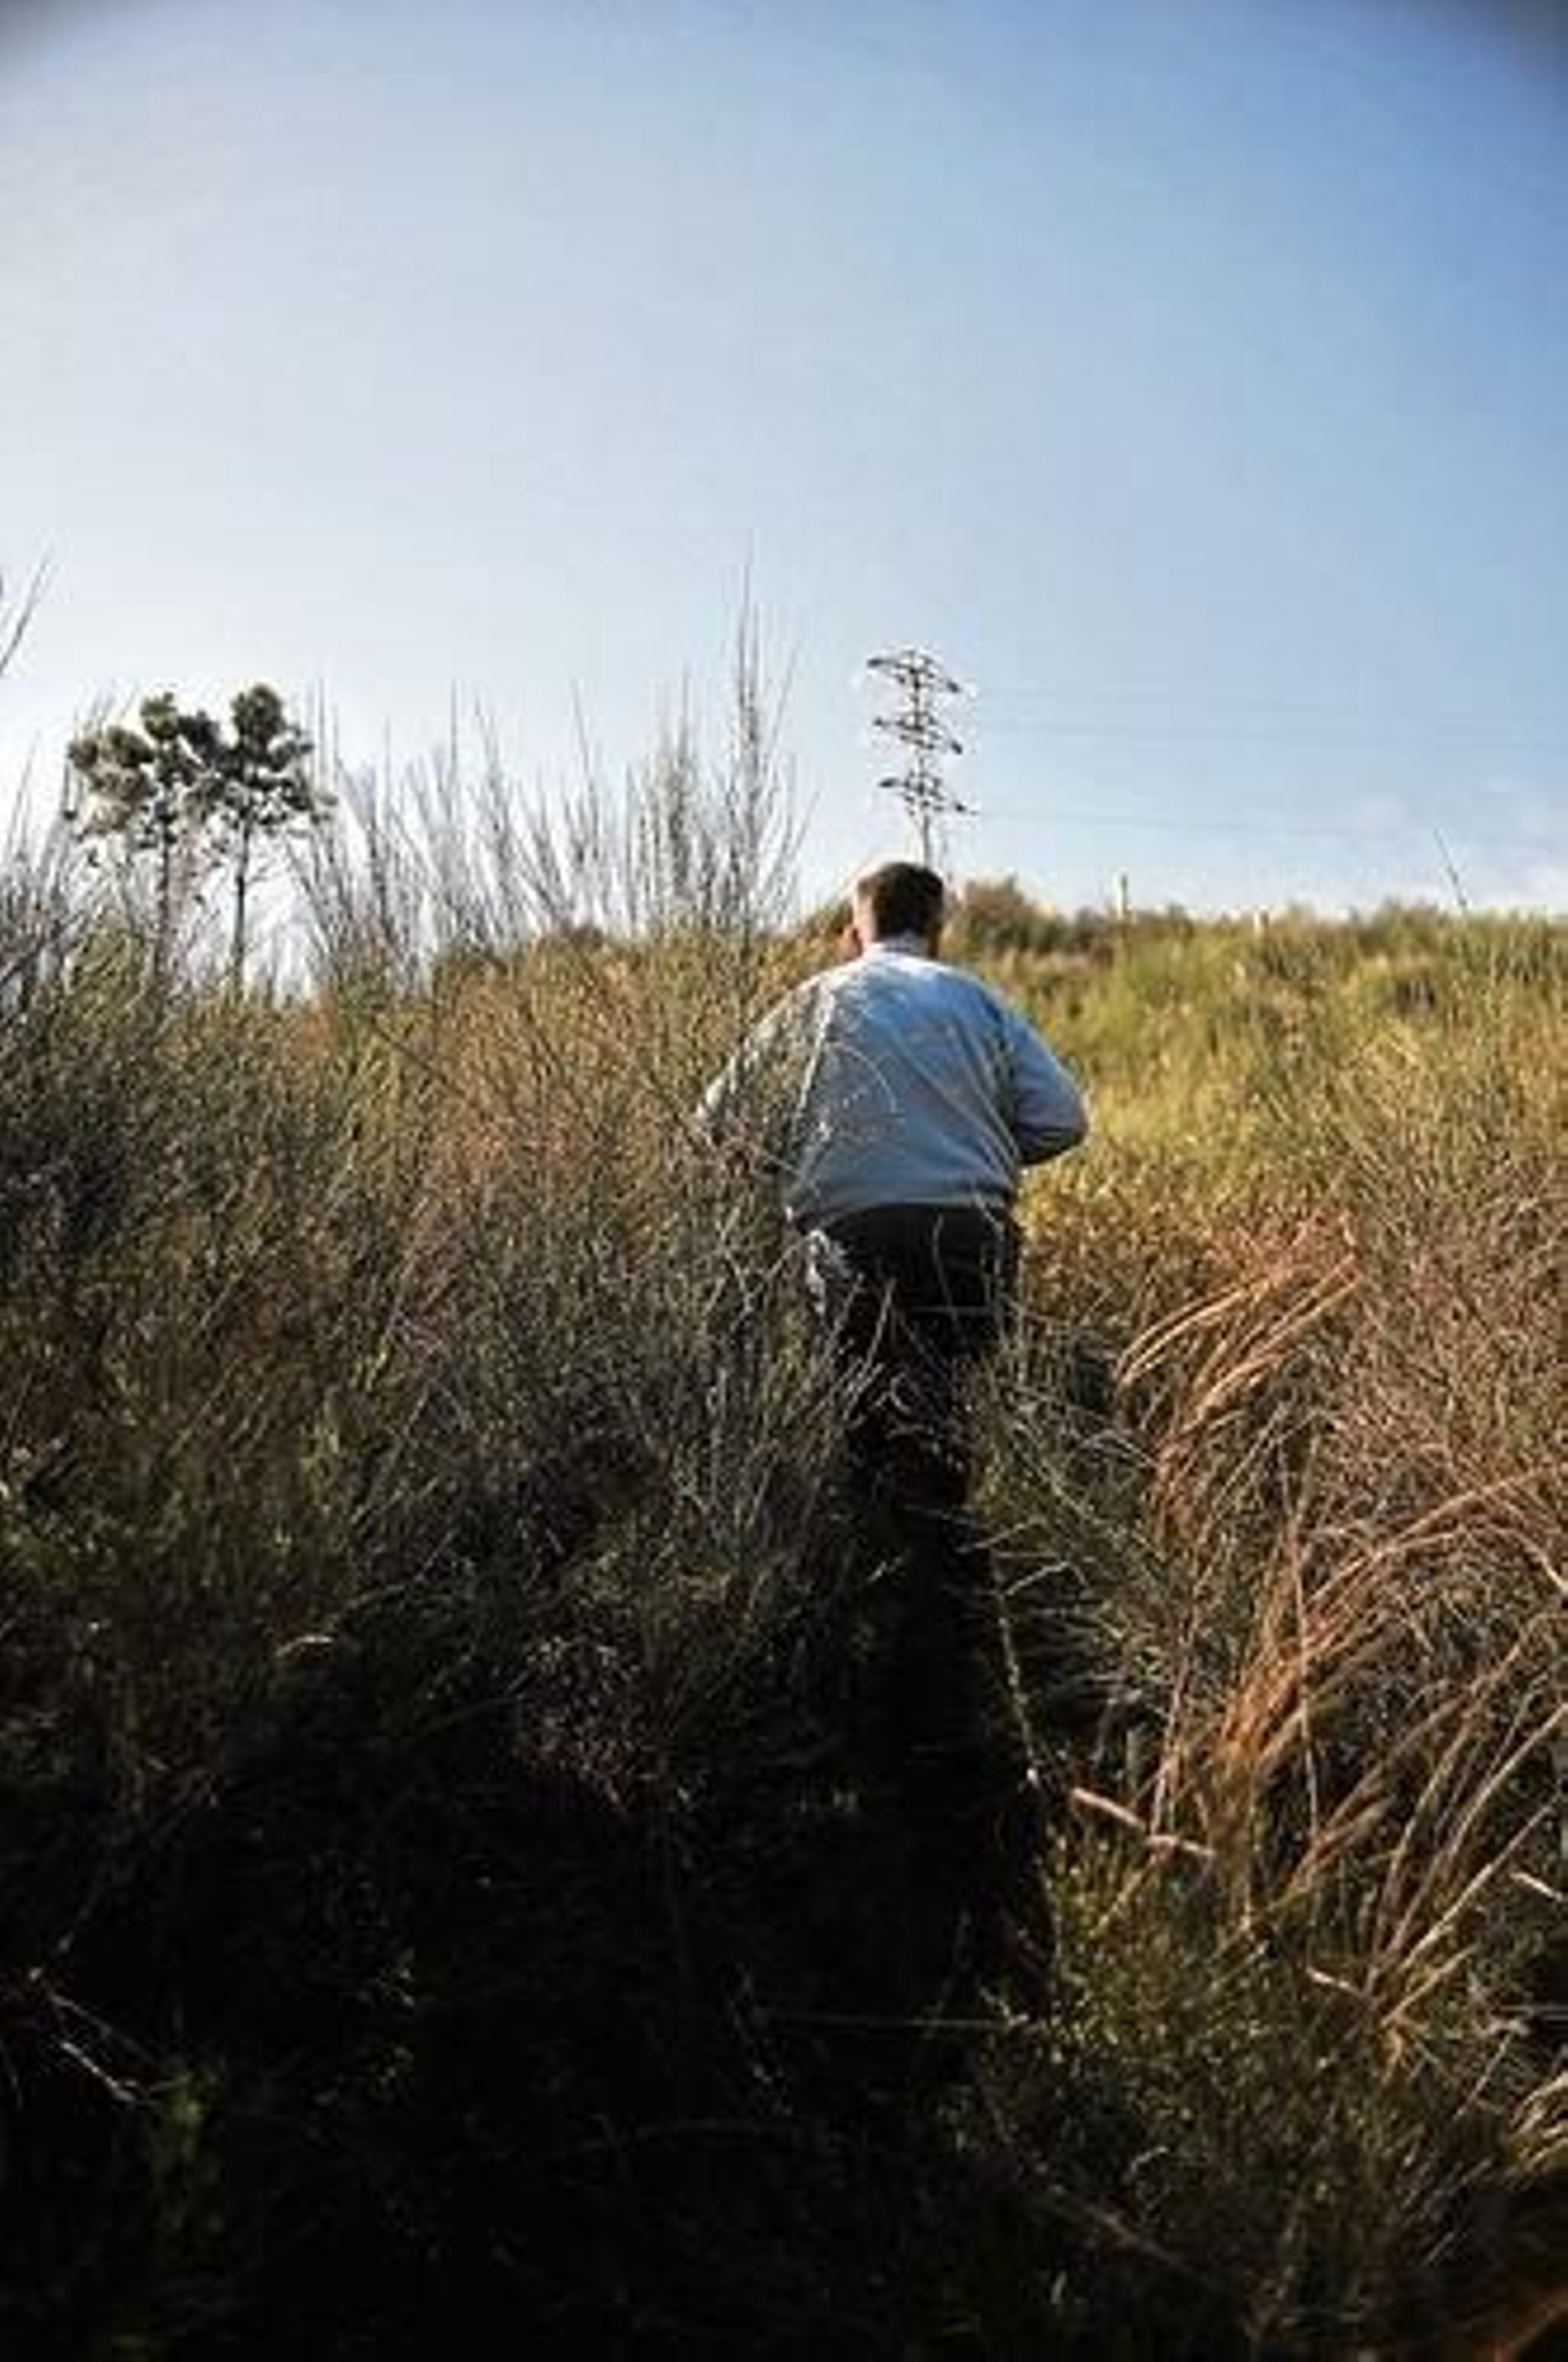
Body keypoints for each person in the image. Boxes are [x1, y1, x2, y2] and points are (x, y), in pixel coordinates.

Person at [701, 858, 1088, 1506]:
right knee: (950, 1417)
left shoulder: (812, 1001)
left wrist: (792, 1162)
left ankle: (883, 1554)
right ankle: (950, 1549)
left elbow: (716, 1121)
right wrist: (974, 1150)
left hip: (849, 1233)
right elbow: (1063, 1119)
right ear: (937, 928)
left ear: (854, 931)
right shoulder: (977, 1000)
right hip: (966, 1231)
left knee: (867, 1426)